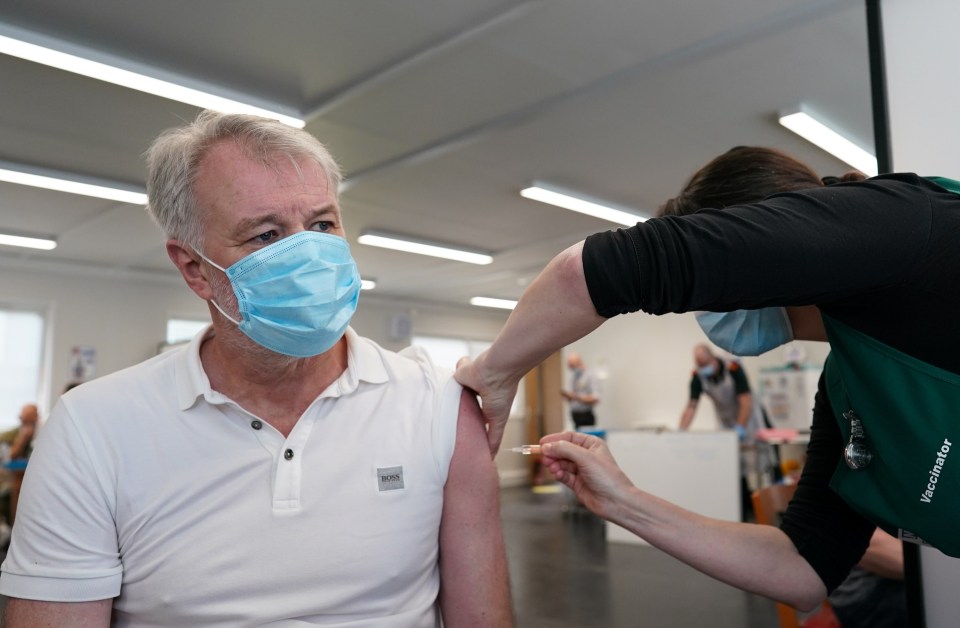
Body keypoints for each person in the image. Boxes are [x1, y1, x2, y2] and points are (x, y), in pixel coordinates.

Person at [0, 111, 512, 627]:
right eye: (266, 235)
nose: (308, 254)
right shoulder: (94, 427)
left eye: (322, 224)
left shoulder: (434, 403)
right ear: (195, 268)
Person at [456, 145, 959, 611]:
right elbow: (803, 568)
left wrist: (493, 372)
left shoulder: (909, 224)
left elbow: (591, 271)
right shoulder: (850, 390)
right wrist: (625, 502)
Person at [679, 344, 768, 520]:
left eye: (705, 363)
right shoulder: (698, 376)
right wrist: (680, 431)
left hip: (748, 420)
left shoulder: (733, 367)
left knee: (754, 466)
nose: (703, 368)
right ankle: (737, 509)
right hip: (725, 422)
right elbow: (691, 406)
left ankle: (759, 509)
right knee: (732, 467)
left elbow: (745, 401)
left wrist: (740, 428)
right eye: (699, 365)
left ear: (713, 358)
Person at [561, 352, 600, 429]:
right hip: (575, 416)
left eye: (573, 366)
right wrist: (569, 397)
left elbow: (595, 399)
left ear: (579, 362)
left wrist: (576, 397)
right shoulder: (574, 377)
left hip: (586, 416)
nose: (572, 369)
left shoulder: (590, 376)